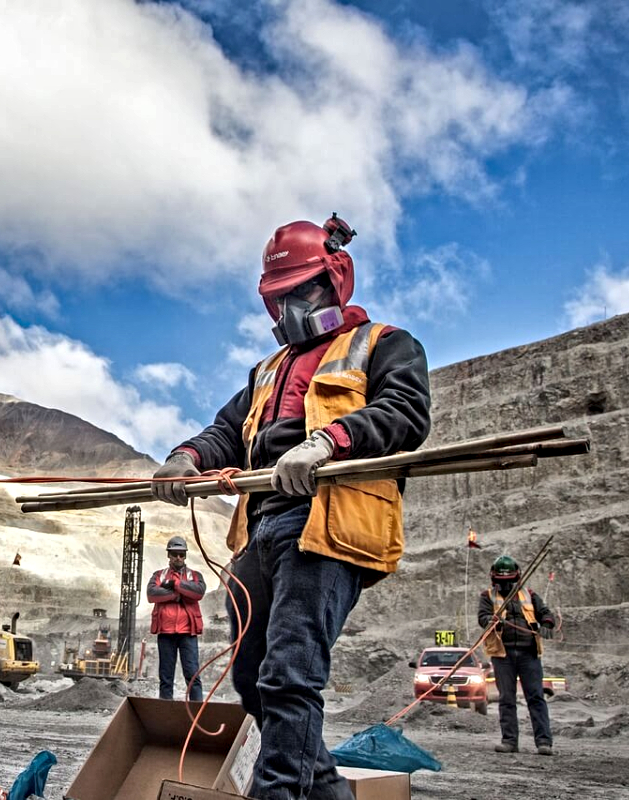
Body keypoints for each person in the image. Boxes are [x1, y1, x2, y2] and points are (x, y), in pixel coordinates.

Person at [152, 214, 430, 799]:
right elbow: (227, 431)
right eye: (277, 301)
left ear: (334, 282)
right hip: (263, 527)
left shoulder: (384, 345)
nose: (286, 313)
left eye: (298, 294)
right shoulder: (268, 370)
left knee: (289, 676)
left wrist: (331, 441)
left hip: (329, 524)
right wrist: (187, 457)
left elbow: (406, 413)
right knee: (254, 677)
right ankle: (331, 793)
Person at [479, 554, 556, 756]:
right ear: (494, 579)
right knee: (507, 698)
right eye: (501, 581)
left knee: (536, 697)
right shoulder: (487, 596)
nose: (505, 585)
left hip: (529, 653)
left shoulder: (529, 594)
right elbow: (482, 617)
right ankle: (510, 741)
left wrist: (547, 623)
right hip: (502, 654)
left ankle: (544, 742)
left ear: (517, 577)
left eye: (509, 581)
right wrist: (491, 620)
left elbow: (546, 613)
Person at [146, 535, 206, 701]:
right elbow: (152, 594)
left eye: (181, 554)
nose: (178, 557)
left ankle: (197, 714)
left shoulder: (195, 575)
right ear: (169, 555)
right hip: (165, 632)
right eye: (175, 554)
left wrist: (175, 585)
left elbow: (198, 592)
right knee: (166, 677)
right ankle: (165, 715)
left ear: (185, 555)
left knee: (193, 676)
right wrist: (177, 595)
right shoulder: (158, 575)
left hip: (188, 633)